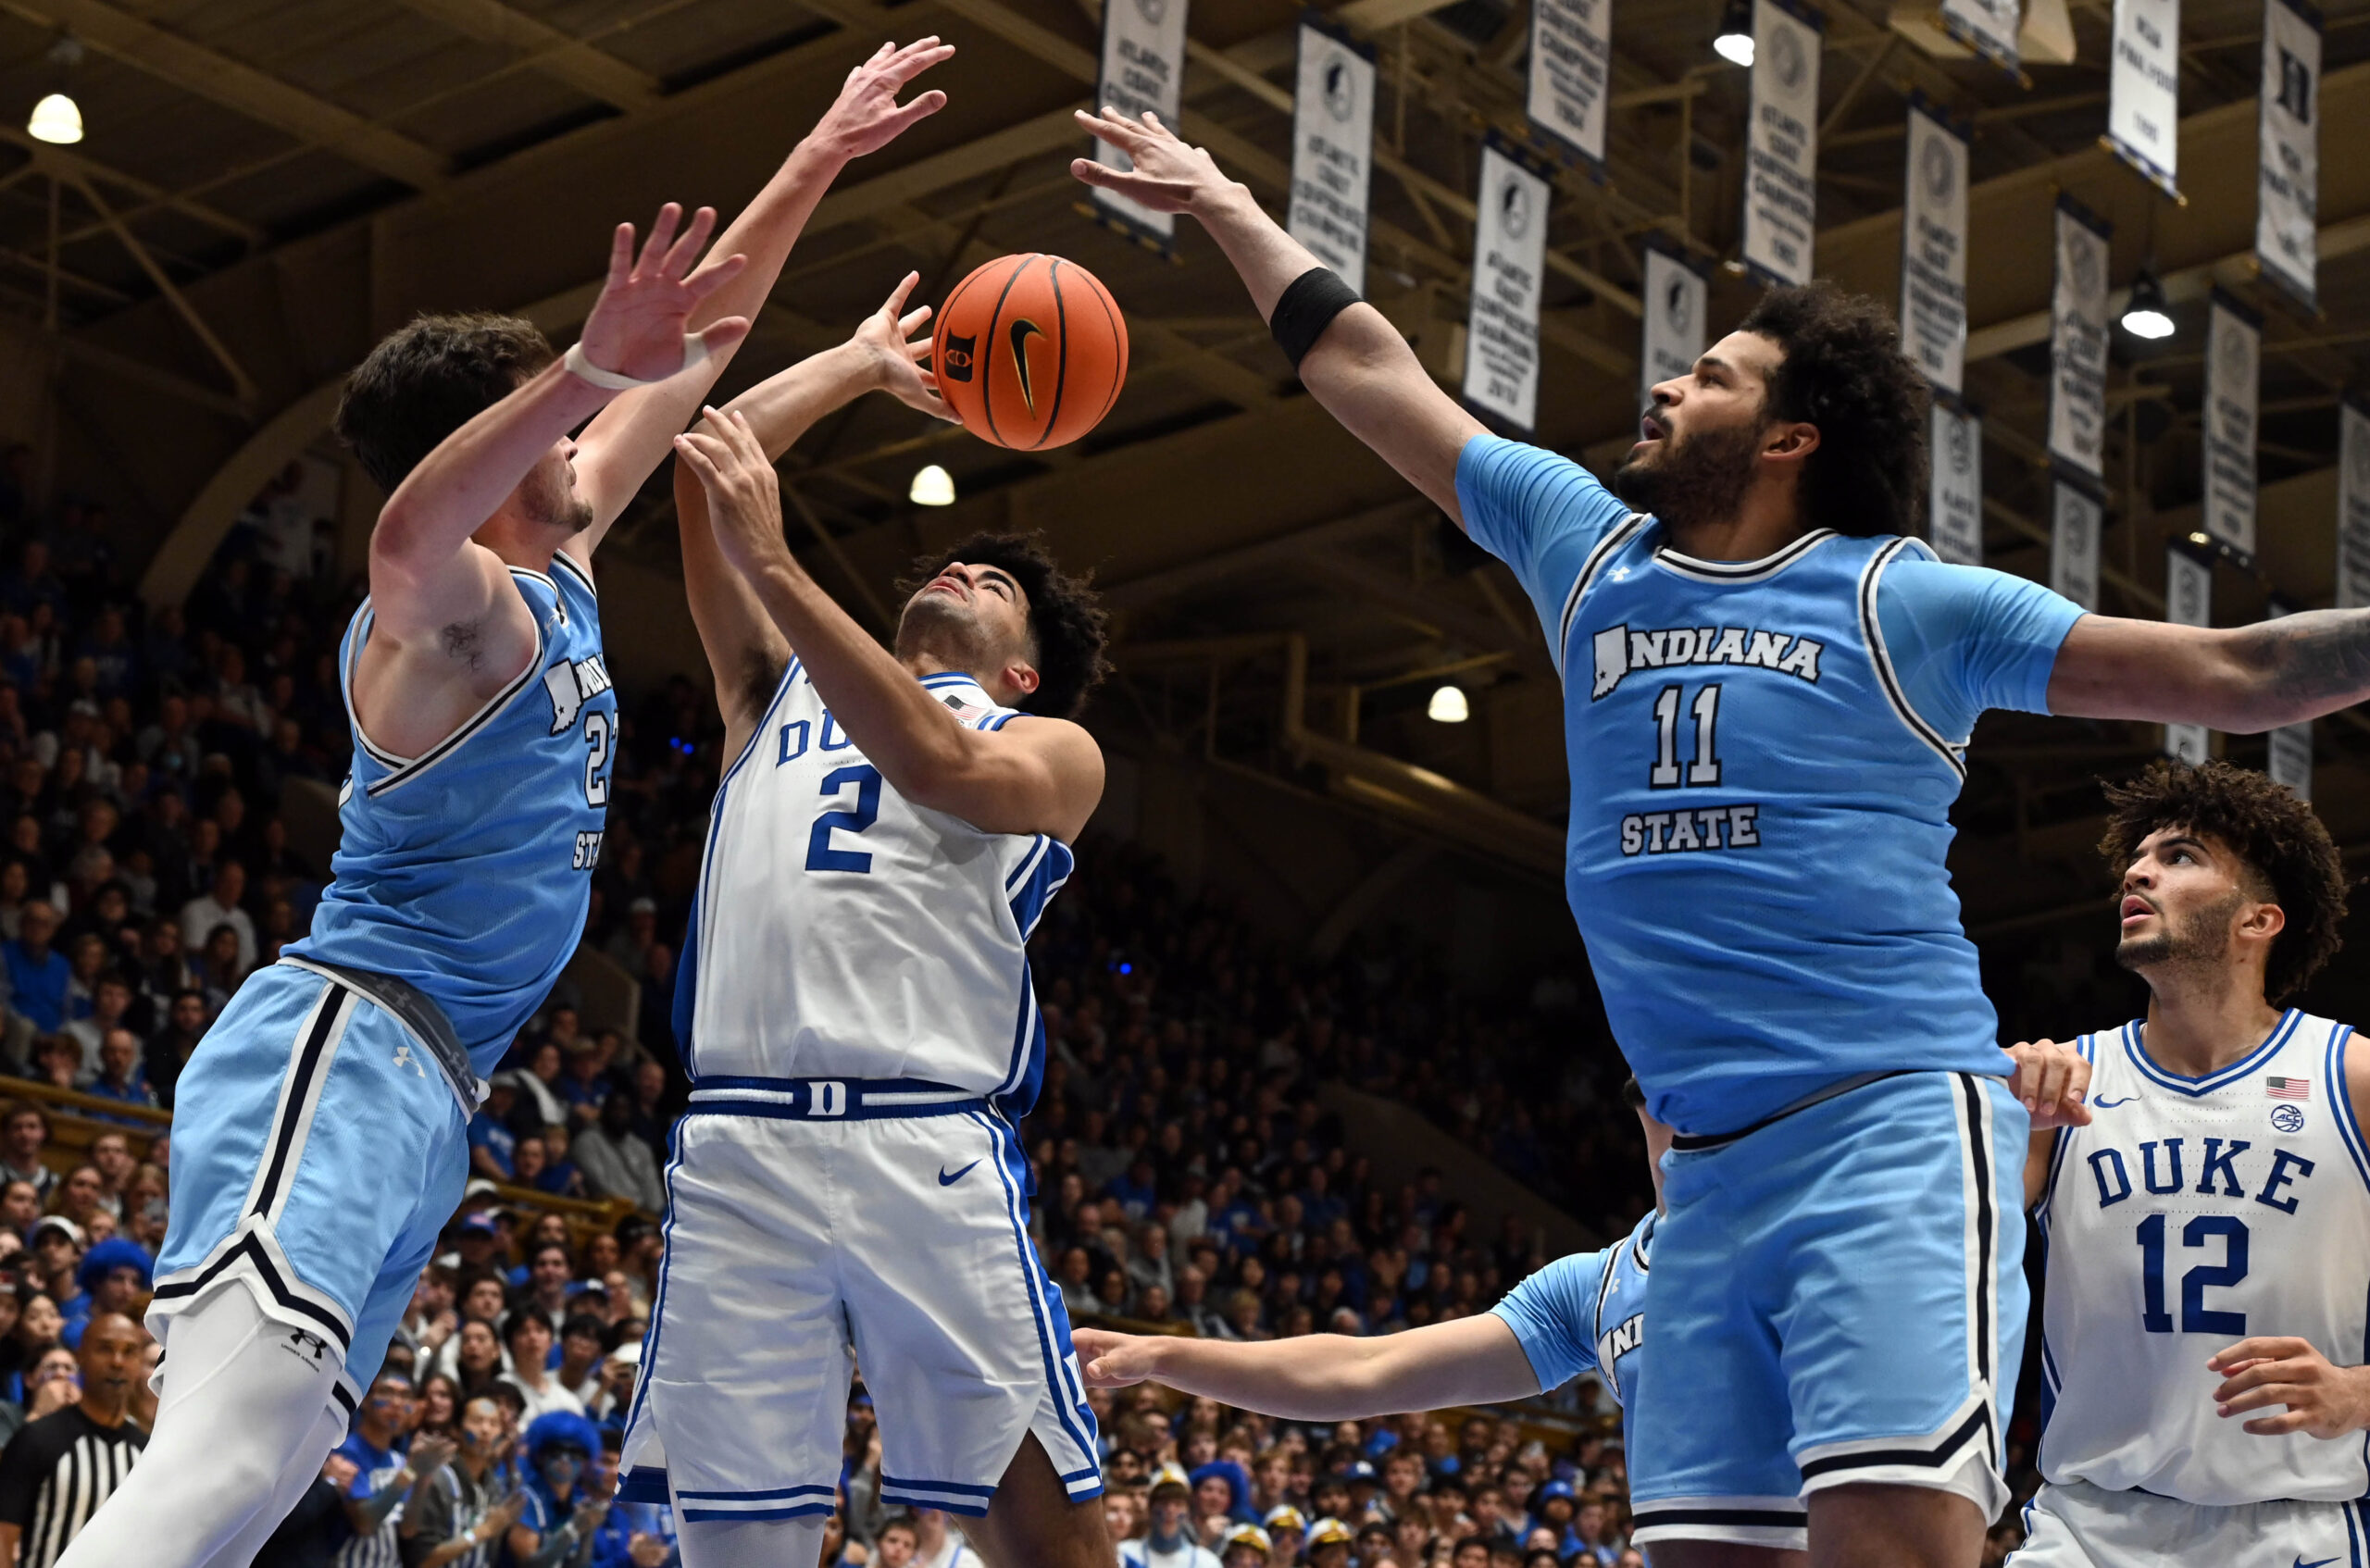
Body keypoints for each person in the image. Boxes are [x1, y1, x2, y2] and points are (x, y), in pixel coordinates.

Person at [1066, 106, 2370, 1568]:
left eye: (1714, 376)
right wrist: (1231, 205)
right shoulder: (1588, 554)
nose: (1669, 383)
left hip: (1887, 1128)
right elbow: (1372, 372)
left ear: (1790, 437)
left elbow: (2241, 672)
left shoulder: (1906, 601)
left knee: (1890, 1543)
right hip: (1702, 1175)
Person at [62, 43, 954, 1568]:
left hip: (431, 1086)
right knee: (227, 1437)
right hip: (339, 1041)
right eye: (554, 411)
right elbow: (410, 528)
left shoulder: (567, 540)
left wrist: (819, 152)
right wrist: (587, 367)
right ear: (506, 432)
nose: (588, 428)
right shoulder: (443, 611)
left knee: (263, 1451)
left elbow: (699, 342)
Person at [617, 277, 1112, 1568]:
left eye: (992, 579)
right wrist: (849, 363)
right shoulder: (766, 692)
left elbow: (943, 767)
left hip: (924, 1143)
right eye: (955, 559)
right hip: (740, 1141)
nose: (958, 565)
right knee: (735, 1540)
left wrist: (779, 561)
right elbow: (700, 473)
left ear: (1021, 665)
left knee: (1042, 1522)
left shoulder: (1050, 744)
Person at [1078, 1084, 1799, 1565]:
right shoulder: (1597, 1286)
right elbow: (1361, 1373)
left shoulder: (1812, 1248)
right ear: (1642, 1091)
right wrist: (1167, 1356)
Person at [2011, 760, 2367, 1565]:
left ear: (2258, 922)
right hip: (2086, 1527)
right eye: (2139, 858)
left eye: (2180, 856)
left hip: (2292, 1529)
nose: (2139, 870)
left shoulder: (2353, 1079)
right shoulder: (2061, 1087)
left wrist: (2362, 1391)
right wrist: (1990, 1117)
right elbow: (1939, 1265)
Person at [0, 1313, 145, 1568]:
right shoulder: (38, 1438)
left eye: (129, 1352)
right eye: (105, 1349)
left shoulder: (146, 1453)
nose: (117, 1362)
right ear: (81, 1358)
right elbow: (3, 1537)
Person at [333, 1374, 450, 1568]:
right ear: (365, 1400)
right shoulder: (346, 1452)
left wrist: (424, 1475)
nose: (396, 1403)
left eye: (405, 1396)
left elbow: (408, 1529)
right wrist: (411, 1470)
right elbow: (365, 1523)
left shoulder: (398, 1460)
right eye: (386, 1393)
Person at [398, 1393, 525, 1568]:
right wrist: (484, 1531)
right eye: (477, 1421)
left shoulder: (493, 1485)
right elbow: (422, 1561)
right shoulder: (438, 1479)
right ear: (456, 1430)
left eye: (494, 1424)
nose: (486, 1430)